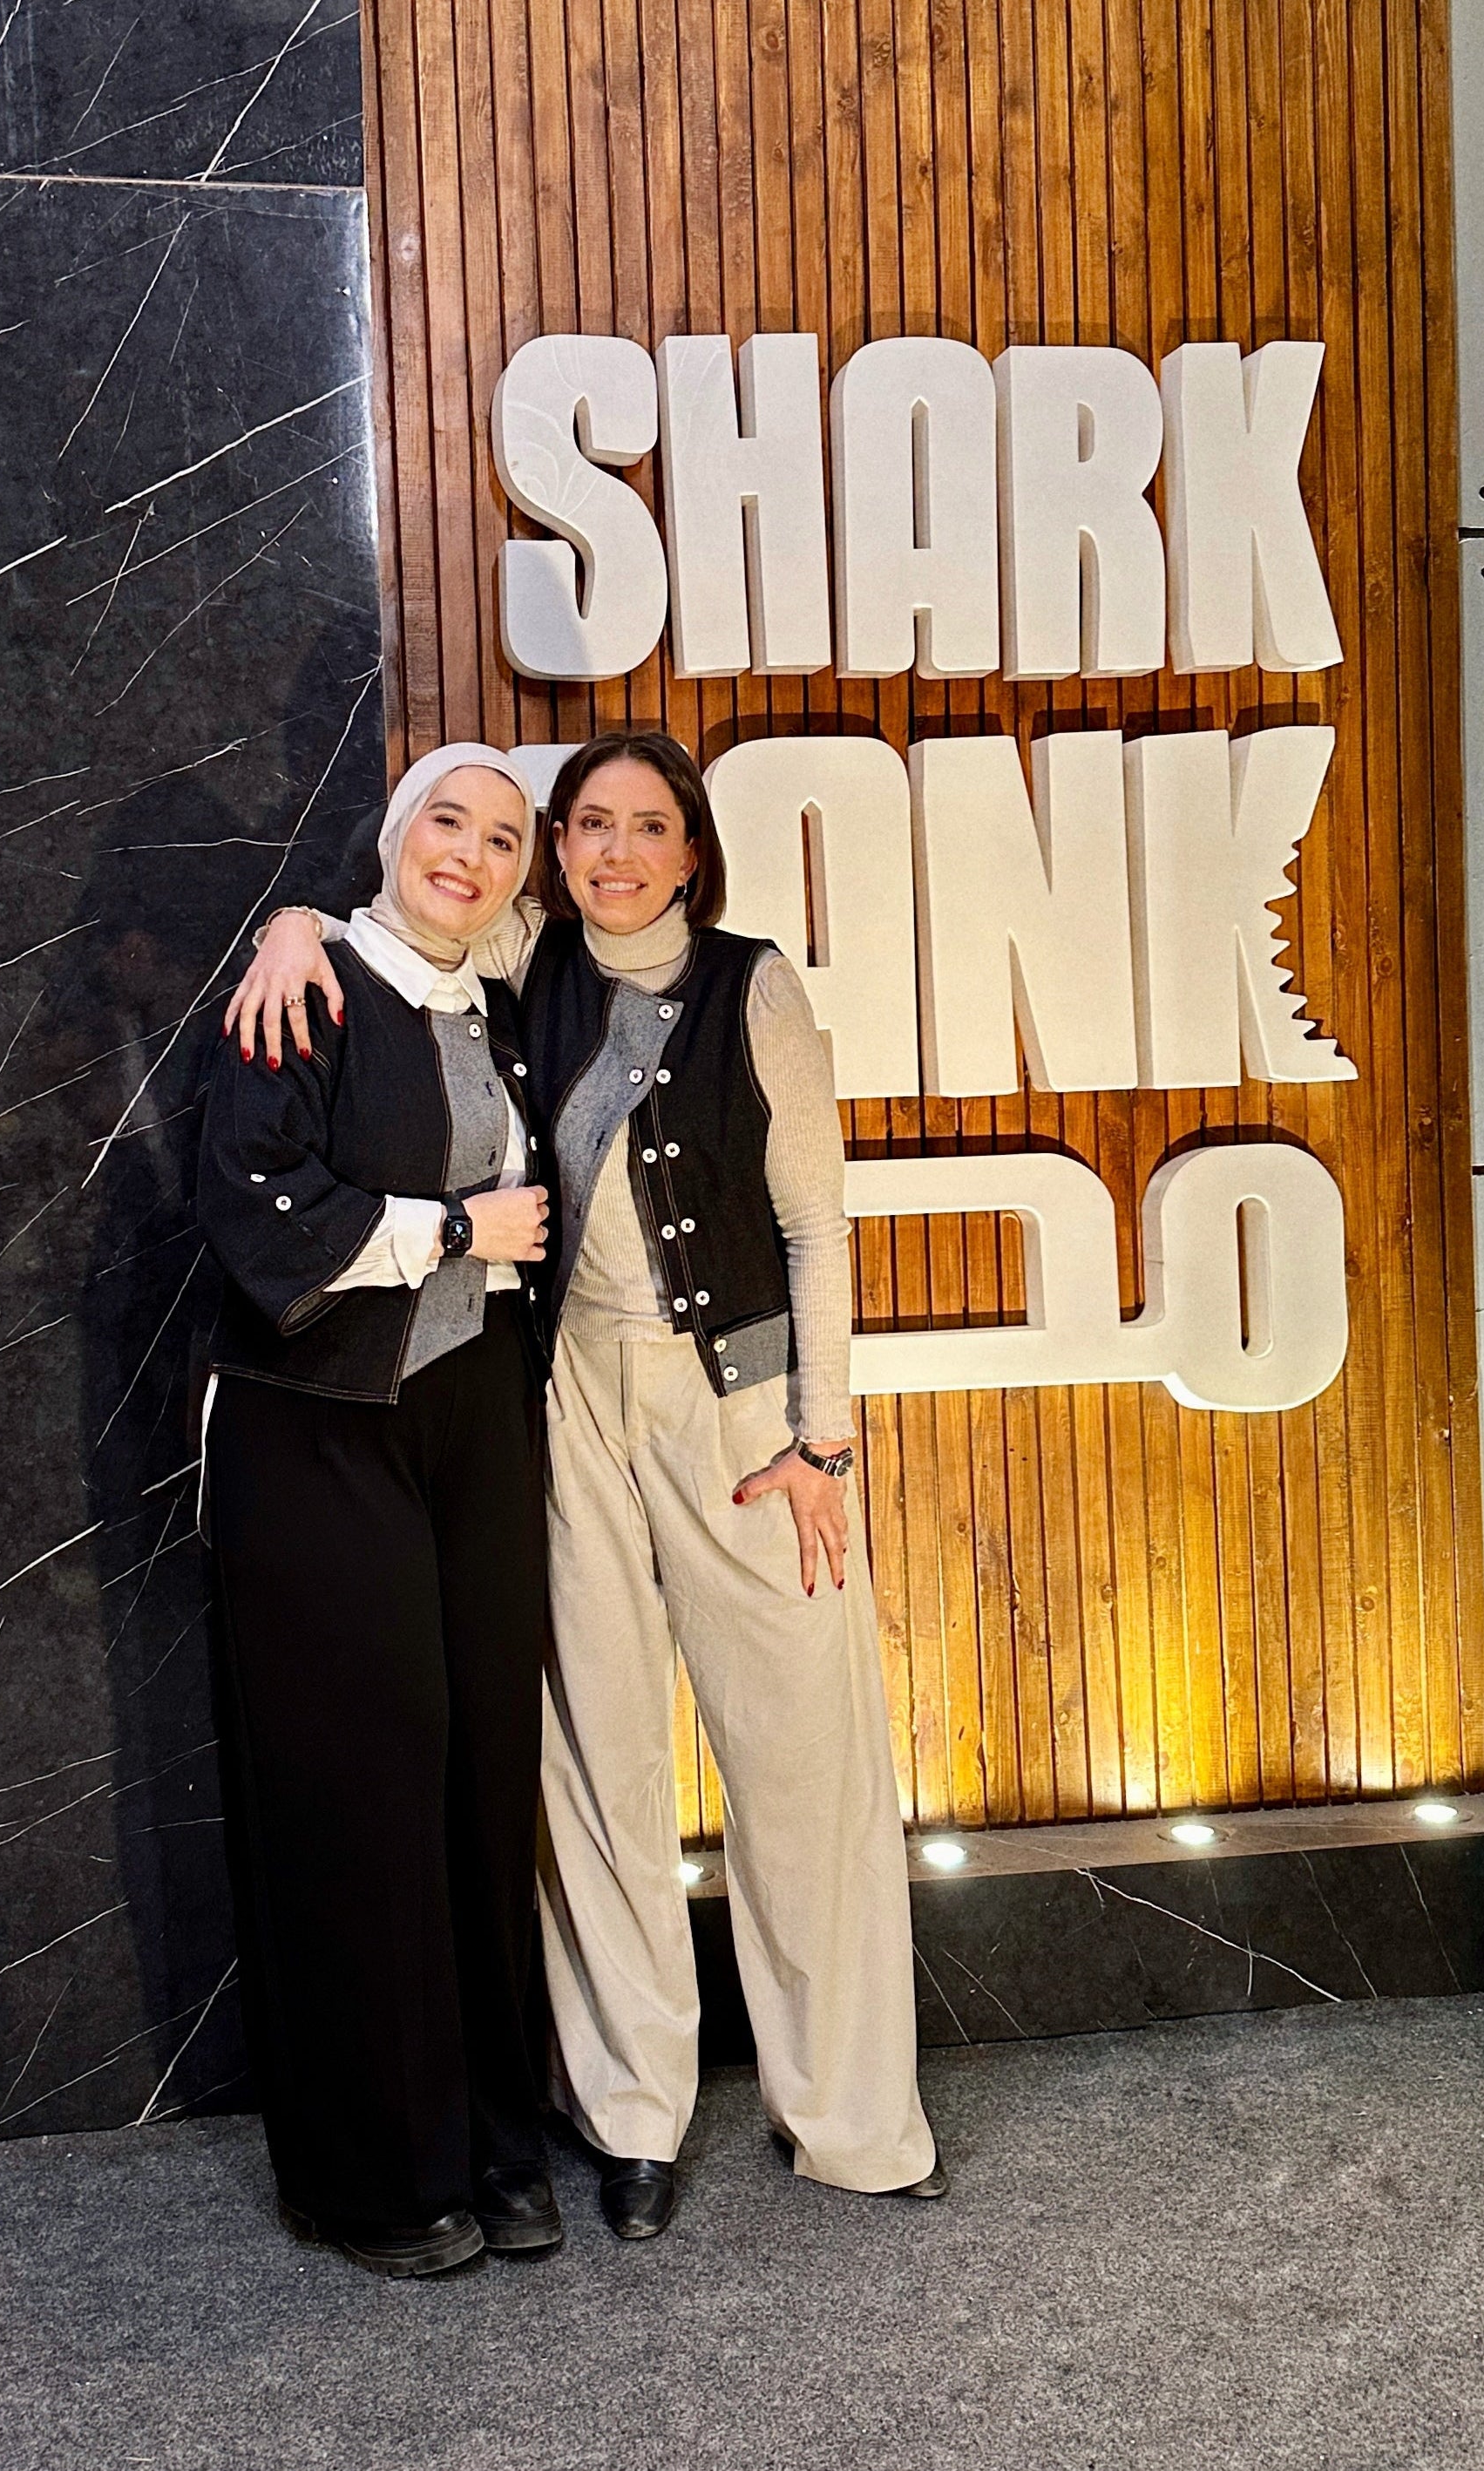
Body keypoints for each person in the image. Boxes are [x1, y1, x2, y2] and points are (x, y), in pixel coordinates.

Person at [228, 730, 939, 2244]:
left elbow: (816, 1229)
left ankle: (855, 2118)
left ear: (693, 852)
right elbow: (400, 918)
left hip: (741, 1413)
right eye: (590, 826)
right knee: (596, 1771)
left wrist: (823, 1439)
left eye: (650, 827)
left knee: (802, 1763)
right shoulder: (521, 956)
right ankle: (631, 2119)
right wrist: (290, 926)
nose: (616, 853)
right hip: (560, 1403)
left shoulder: (755, 987)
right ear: (557, 853)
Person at [196, 742, 560, 2278]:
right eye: (445, 823)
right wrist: (457, 1229)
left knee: (483, 1775)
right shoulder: (310, 987)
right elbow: (253, 1203)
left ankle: (493, 2138)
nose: (468, 854)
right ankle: (373, 2177)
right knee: (362, 1794)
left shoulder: (504, 998)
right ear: (396, 835)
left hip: (476, 1423)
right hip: (319, 1427)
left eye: (503, 838)